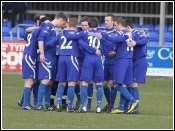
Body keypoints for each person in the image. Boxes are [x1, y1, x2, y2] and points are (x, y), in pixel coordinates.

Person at [96, 16, 139, 114]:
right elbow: (113, 43)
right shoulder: (129, 34)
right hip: (129, 59)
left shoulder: (121, 33)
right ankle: (121, 107)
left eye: (115, 25)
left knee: (116, 84)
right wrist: (103, 39)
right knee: (124, 84)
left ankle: (133, 101)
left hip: (122, 60)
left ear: (119, 24)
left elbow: (113, 39)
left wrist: (103, 35)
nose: (114, 27)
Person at [77, 17, 114, 113]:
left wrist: (92, 50)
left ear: (88, 25)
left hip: (88, 58)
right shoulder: (102, 34)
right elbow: (111, 45)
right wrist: (101, 50)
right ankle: (98, 107)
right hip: (98, 60)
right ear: (98, 25)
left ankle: (84, 106)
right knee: (98, 84)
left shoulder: (84, 33)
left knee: (84, 83)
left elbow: (80, 42)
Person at [36, 12, 68, 110]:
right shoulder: (49, 26)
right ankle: (38, 104)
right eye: (63, 23)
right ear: (61, 19)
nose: (62, 26)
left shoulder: (52, 28)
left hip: (52, 56)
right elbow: (40, 39)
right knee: (45, 79)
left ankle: (47, 104)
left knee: (50, 81)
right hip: (47, 56)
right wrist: (42, 53)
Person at [20, 16, 50, 110]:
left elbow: (25, 33)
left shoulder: (33, 30)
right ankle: (25, 104)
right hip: (30, 56)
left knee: (33, 80)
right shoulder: (39, 30)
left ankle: (26, 102)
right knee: (30, 80)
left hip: (29, 55)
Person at [125, 19, 149, 113]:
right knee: (130, 83)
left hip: (139, 60)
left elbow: (146, 39)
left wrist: (136, 43)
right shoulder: (126, 35)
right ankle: (131, 106)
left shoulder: (137, 33)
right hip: (131, 61)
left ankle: (136, 108)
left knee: (134, 83)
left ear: (127, 27)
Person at [101, 14, 117, 112]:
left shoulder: (116, 32)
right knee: (104, 84)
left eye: (108, 20)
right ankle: (109, 104)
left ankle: (111, 106)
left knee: (112, 83)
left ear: (113, 21)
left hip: (114, 60)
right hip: (106, 59)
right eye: (105, 20)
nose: (106, 22)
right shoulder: (102, 32)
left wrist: (116, 52)